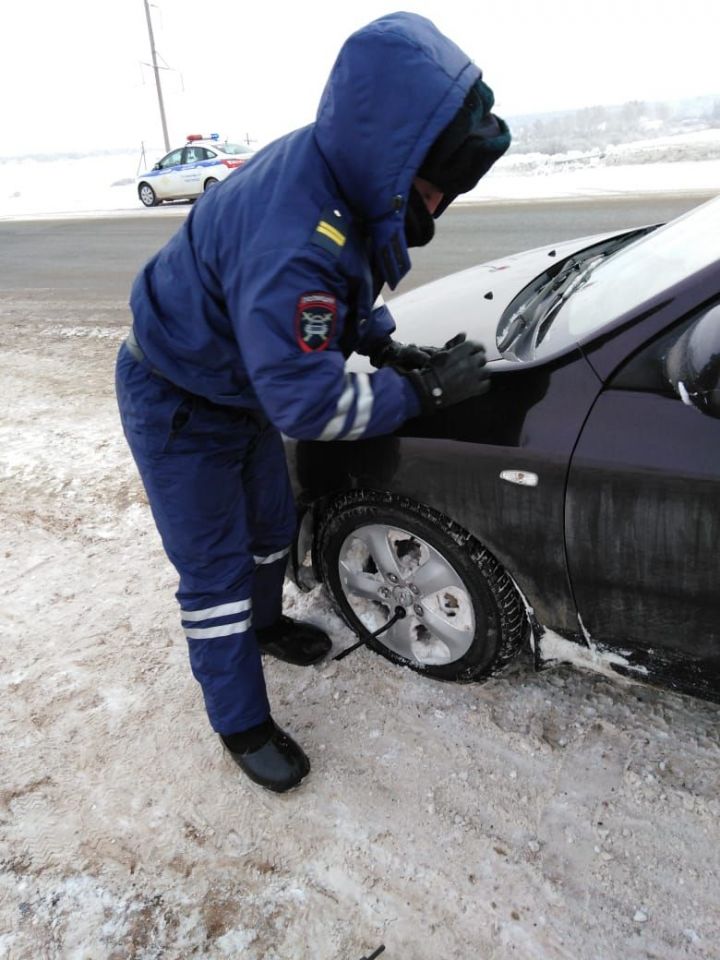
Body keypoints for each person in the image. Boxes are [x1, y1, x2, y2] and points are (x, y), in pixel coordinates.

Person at [115, 11, 510, 793]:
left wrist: (386, 344)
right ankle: (241, 723)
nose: (436, 204)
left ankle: (265, 627)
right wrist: (416, 392)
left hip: (237, 392)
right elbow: (310, 406)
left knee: (269, 532)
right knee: (215, 575)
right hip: (178, 404)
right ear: (401, 159)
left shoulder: (343, 174)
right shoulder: (297, 233)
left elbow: (343, 278)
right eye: (436, 187)